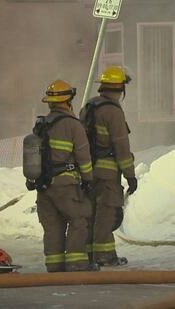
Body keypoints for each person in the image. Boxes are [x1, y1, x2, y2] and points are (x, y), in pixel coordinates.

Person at [33, 79, 97, 272]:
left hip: (44, 186)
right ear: (68, 100)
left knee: (53, 226)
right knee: (79, 219)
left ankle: (55, 266)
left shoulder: (42, 124)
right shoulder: (72, 125)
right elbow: (84, 157)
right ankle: (77, 263)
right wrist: (88, 180)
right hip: (66, 185)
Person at [80, 66, 136, 267]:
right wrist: (130, 175)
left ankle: (87, 254)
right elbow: (121, 146)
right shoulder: (113, 112)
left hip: (87, 171)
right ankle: (104, 256)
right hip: (108, 172)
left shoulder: (88, 107)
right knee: (107, 213)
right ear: (121, 88)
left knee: (90, 213)